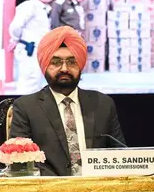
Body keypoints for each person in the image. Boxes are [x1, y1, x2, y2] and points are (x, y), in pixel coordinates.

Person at [9, 26, 126, 176]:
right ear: (44, 66)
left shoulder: (103, 104)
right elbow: (18, 164)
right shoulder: (26, 107)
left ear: (81, 65)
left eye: (72, 62)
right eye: (56, 62)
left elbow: (121, 154)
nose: (64, 69)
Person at [7, 0, 55, 94]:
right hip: (29, 47)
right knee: (30, 78)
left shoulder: (46, 8)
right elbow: (16, 25)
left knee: (36, 79)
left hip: (39, 48)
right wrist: (15, 38)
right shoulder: (29, 6)